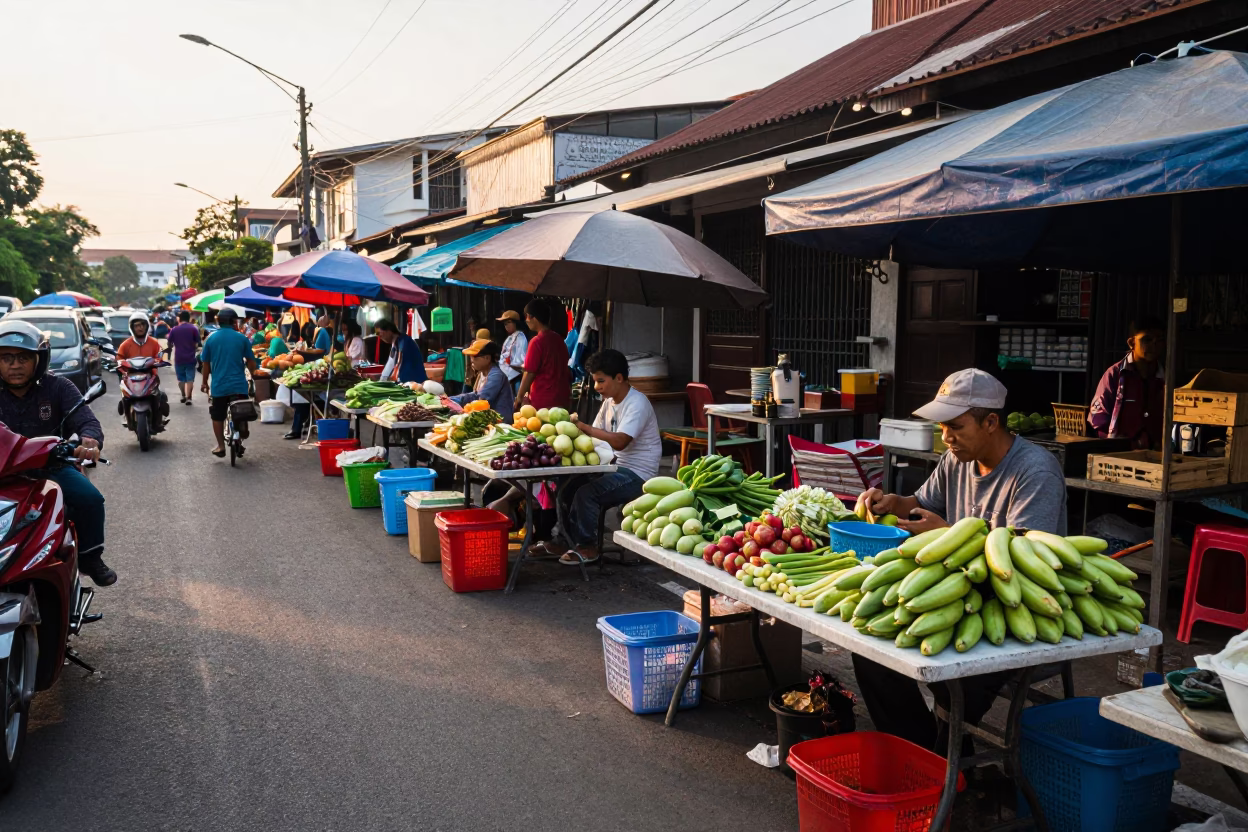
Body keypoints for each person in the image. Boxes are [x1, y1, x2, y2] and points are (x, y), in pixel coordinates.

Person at [852, 368, 1067, 754]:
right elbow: (919, 503)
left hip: (1011, 607)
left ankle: (944, 755)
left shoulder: (1035, 471)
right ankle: (922, 754)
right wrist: (888, 501)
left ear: (990, 422)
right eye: (942, 427)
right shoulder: (957, 459)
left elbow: (1022, 560)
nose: (947, 437)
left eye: (956, 426)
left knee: (956, 676)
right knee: (870, 649)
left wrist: (944, 534)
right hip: (953, 594)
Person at [0, 320, 113, 585]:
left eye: (23, 358)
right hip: (3, 471)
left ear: (39, 360)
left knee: (90, 499)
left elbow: (87, 422)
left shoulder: (59, 387)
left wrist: (90, 442)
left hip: (51, 467)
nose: (14, 365)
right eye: (6, 358)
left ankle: (89, 556)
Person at [555, 349, 660, 565]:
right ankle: (563, 539)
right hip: (614, 467)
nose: (596, 387)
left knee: (587, 493)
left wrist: (583, 428)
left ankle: (588, 546)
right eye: (595, 381)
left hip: (638, 475)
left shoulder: (637, 403)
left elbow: (620, 441)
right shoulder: (609, 403)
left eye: (601, 381)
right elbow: (596, 438)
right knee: (568, 484)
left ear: (619, 378)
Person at [1089, 316, 1166, 450]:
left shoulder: (1165, 377)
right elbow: (1098, 417)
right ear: (1131, 343)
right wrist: (1115, 443)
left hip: (1157, 454)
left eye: (1159, 340)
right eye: (1147, 340)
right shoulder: (1115, 375)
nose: (1154, 345)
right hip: (1121, 454)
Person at [199, 307, 257, 458]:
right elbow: (251, 362)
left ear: (218, 321)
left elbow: (205, 364)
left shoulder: (210, 338)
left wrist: (204, 382)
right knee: (242, 411)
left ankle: (220, 446)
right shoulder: (241, 338)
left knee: (217, 415)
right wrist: (254, 374)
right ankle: (241, 437)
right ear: (233, 321)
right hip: (239, 385)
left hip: (219, 386)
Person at [515, 299, 570, 410]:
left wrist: (519, 398)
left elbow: (529, 373)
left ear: (533, 317)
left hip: (543, 401)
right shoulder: (559, 339)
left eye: (527, 316)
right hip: (563, 398)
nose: (526, 320)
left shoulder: (537, 342)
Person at [450, 339, 514, 420]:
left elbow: (482, 399)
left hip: (500, 424)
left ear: (487, 358)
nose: (471, 360)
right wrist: (451, 400)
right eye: (470, 357)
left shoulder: (496, 375)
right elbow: (474, 395)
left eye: (474, 357)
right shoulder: (482, 373)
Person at [164, 310, 201, 405]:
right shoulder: (194, 328)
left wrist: (171, 346)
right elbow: (197, 344)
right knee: (190, 379)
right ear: (189, 318)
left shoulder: (175, 329)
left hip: (179, 358)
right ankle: (189, 397)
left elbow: (169, 344)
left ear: (179, 318)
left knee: (181, 379)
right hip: (190, 358)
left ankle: (183, 395)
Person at [376, 318, 427, 384]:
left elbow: (402, 367)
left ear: (389, 331)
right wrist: (382, 380)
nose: (379, 337)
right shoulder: (396, 343)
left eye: (379, 333)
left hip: (414, 383)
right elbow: (390, 364)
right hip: (408, 383)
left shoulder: (404, 342)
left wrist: (383, 381)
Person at [497, 310, 528, 388]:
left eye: (508, 322)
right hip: (506, 375)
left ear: (515, 323)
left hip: (515, 376)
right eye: (505, 324)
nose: (506, 326)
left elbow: (521, 359)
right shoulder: (509, 338)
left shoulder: (520, 337)